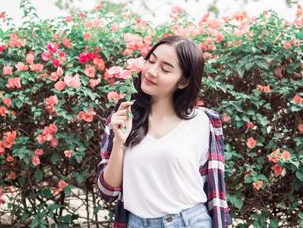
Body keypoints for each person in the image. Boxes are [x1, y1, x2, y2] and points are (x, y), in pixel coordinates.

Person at [97, 35, 232, 227]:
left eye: (165, 69)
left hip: (189, 221)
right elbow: (107, 191)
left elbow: (216, 190)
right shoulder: (123, 118)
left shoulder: (204, 122)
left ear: (183, 82)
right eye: (151, 61)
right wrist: (119, 142)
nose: (151, 71)